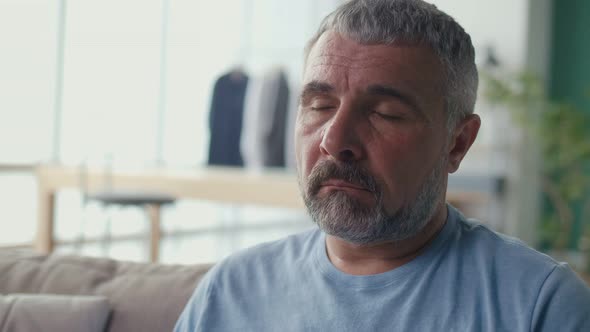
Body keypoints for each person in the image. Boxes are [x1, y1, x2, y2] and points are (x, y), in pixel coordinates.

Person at [174, 0, 590, 330]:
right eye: (319, 106)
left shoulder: (540, 306)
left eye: (386, 114)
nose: (334, 141)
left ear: (457, 143)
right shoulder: (229, 293)